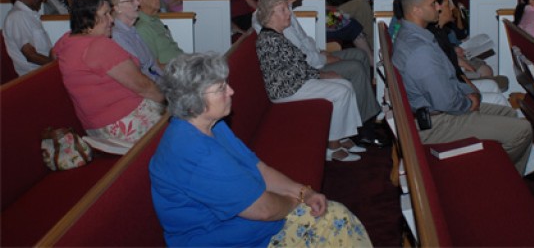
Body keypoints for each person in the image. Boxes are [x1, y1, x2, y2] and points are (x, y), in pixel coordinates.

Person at [149, 52, 372, 247]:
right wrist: (295, 202)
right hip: (224, 241)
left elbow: (259, 168)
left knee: (336, 217)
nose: (232, 91)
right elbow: (263, 209)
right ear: (192, 103)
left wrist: (304, 191)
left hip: (249, 228)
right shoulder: (193, 153)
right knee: (336, 222)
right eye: (221, 89)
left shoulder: (212, 127)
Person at [392, 0, 533, 175]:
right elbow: (445, 102)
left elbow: (450, 76)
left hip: (441, 111)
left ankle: (500, 171)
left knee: (510, 115)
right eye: (434, 4)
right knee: (522, 130)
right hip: (437, 123)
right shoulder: (420, 50)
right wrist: (469, 103)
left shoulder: (415, 35)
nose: (439, 7)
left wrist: (471, 94)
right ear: (416, 10)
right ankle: (499, 175)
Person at [253, 0, 385, 148]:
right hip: (304, 72)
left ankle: (362, 121)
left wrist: (322, 53)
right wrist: (326, 58)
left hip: (311, 61)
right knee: (354, 67)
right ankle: (365, 128)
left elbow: (305, 43)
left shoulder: (285, 7)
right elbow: (298, 58)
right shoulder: (272, 14)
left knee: (359, 55)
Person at [255, 0, 364, 161]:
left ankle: (342, 136)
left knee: (345, 85)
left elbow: (297, 67)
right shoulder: (270, 40)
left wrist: (324, 74)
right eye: (283, 10)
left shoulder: (276, 35)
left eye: (287, 8)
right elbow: (296, 71)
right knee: (341, 91)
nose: (288, 13)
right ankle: (332, 147)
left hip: (294, 82)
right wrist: (324, 75)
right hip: (285, 90)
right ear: (270, 15)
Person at [53, 0, 165, 149]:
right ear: (87, 18)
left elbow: (53, 54)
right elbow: (144, 87)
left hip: (96, 128)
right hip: (124, 123)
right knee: (191, 117)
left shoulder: (67, 40)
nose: (111, 20)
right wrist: (168, 98)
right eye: (105, 14)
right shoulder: (99, 46)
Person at [104, 0, 163, 82]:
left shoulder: (132, 29)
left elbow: (153, 65)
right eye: (131, 0)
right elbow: (138, 75)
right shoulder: (118, 36)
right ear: (117, 7)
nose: (137, 3)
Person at [3, 0, 53, 75]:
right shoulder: (17, 17)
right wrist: (59, 65)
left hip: (45, 69)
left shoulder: (29, 14)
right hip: (36, 75)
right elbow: (31, 56)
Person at [133, 0, 184, 65]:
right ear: (141, 0)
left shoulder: (155, 19)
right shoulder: (142, 28)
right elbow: (154, 66)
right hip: (173, 71)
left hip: (181, 62)